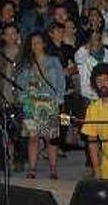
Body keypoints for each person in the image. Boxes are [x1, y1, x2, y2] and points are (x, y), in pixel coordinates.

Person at [16, 32, 66, 179]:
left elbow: (61, 81)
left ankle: (53, 169)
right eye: (32, 43)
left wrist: (59, 99)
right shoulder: (26, 64)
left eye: (38, 42)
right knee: (33, 137)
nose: (35, 45)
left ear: (44, 43)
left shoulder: (53, 61)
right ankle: (32, 169)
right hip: (31, 104)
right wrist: (23, 98)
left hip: (50, 103)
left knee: (50, 138)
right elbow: (20, 84)